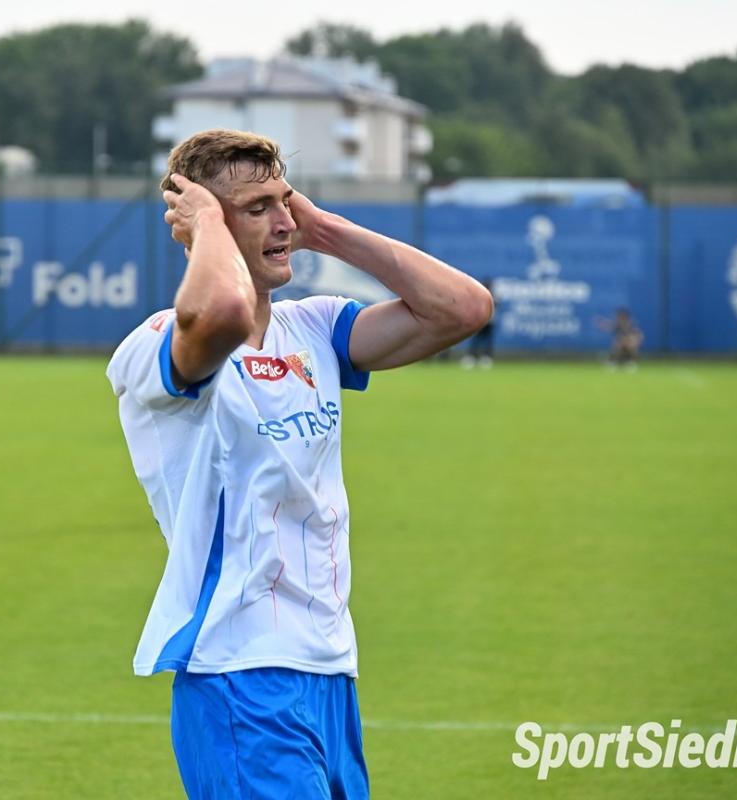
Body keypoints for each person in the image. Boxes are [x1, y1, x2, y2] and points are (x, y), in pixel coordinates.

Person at [106, 129, 492, 799]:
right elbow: (223, 313)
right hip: (239, 671)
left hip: (329, 667)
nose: (283, 221)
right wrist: (207, 229)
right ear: (200, 221)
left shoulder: (313, 328)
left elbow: (464, 308)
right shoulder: (156, 344)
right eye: (257, 208)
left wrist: (325, 231)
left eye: (285, 201)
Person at [461, 276, 496, 368]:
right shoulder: (480, 297)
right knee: (476, 341)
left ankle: (486, 357)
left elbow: (496, 305)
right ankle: (472, 357)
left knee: (487, 342)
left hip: (489, 322)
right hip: (480, 321)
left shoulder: (494, 296)